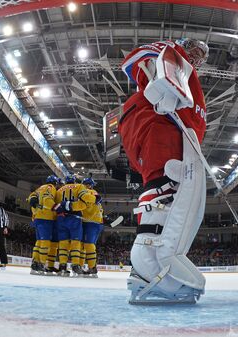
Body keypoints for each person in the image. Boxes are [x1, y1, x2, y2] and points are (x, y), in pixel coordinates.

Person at [119, 38, 209, 304]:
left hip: (170, 132)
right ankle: (150, 267)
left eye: (201, 55)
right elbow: (135, 61)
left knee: (173, 190)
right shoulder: (173, 54)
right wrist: (165, 77)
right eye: (195, 50)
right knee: (165, 187)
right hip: (158, 124)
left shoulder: (189, 73)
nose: (197, 56)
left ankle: (144, 269)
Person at [54, 175, 96, 277]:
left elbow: (56, 206)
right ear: (74, 180)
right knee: (75, 243)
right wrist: (94, 199)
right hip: (75, 217)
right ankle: (75, 265)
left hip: (61, 218)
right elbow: (85, 198)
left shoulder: (59, 190)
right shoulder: (79, 186)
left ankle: (62, 266)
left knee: (63, 243)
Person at [27, 175, 59, 275]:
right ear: (55, 183)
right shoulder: (51, 187)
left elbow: (31, 197)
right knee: (45, 243)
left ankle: (34, 263)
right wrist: (56, 207)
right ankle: (41, 264)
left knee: (39, 242)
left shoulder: (40, 188)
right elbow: (47, 200)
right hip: (46, 218)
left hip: (37, 217)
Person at [81, 177, 104, 278]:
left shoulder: (88, 192)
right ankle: (91, 267)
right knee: (90, 245)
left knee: (86, 245)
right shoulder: (94, 192)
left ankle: (90, 267)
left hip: (89, 222)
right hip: (97, 223)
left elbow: (96, 198)